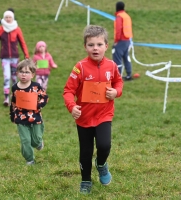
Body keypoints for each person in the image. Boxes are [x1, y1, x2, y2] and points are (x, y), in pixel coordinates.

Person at [63, 25, 123, 194]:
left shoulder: (111, 66)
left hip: (104, 115)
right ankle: (86, 180)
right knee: (86, 151)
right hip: (84, 118)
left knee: (105, 145)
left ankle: (102, 164)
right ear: (85, 47)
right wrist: (72, 106)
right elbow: (68, 91)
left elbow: (119, 82)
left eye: (99, 44)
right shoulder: (79, 67)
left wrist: (116, 92)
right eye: (91, 45)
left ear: (106, 46)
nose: (95, 48)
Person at [0, 10, 30, 106]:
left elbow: (22, 42)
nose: (8, 19)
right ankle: (6, 98)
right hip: (4, 57)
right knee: (7, 77)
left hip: (14, 57)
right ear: (4, 18)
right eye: (6, 17)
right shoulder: (0, 30)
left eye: (10, 17)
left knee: (14, 77)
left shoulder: (17, 29)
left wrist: (26, 55)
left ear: (13, 18)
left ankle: (15, 97)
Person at [9, 59, 48, 165]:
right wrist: (12, 115)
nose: (23, 75)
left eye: (27, 72)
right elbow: (13, 102)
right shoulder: (15, 88)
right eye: (21, 72)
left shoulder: (36, 87)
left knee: (35, 140)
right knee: (25, 140)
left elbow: (44, 97)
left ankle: (39, 142)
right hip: (21, 118)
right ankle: (29, 159)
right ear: (17, 73)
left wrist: (39, 105)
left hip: (35, 117)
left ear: (32, 75)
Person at [112, 1, 133, 81]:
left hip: (121, 40)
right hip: (127, 40)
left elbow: (118, 30)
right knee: (126, 57)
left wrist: (116, 41)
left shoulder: (119, 17)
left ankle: (117, 77)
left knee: (117, 59)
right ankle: (128, 75)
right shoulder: (127, 16)